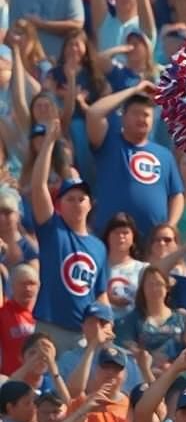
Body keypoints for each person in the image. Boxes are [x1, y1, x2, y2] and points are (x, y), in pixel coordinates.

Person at [31, 119, 108, 352]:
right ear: (59, 204)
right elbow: (38, 186)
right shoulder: (52, 228)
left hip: (83, 336)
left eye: (81, 199)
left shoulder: (99, 247)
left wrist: (107, 322)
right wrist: (48, 145)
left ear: (90, 205)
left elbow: (100, 293)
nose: (76, 203)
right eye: (70, 198)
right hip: (49, 328)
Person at [85, 86, 183, 237]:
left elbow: (176, 195)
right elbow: (94, 113)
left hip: (152, 243)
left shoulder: (164, 155)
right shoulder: (108, 143)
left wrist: (170, 226)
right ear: (123, 117)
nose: (141, 119)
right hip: (111, 239)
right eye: (136, 114)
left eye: (146, 115)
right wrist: (135, 89)